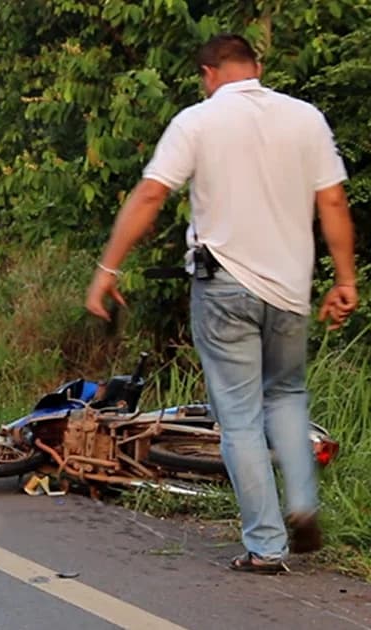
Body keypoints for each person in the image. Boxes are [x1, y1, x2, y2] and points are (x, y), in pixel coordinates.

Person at [85, 34, 357, 574]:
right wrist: (345, 278)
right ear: (258, 66)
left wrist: (107, 269)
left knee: (238, 420)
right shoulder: (306, 118)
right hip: (290, 290)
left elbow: (151, 194)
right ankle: (303, 502)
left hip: (224, 286)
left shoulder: (197, 120)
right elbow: (332, 200)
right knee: (287, 396)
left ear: (207, 73)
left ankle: (267, 545)